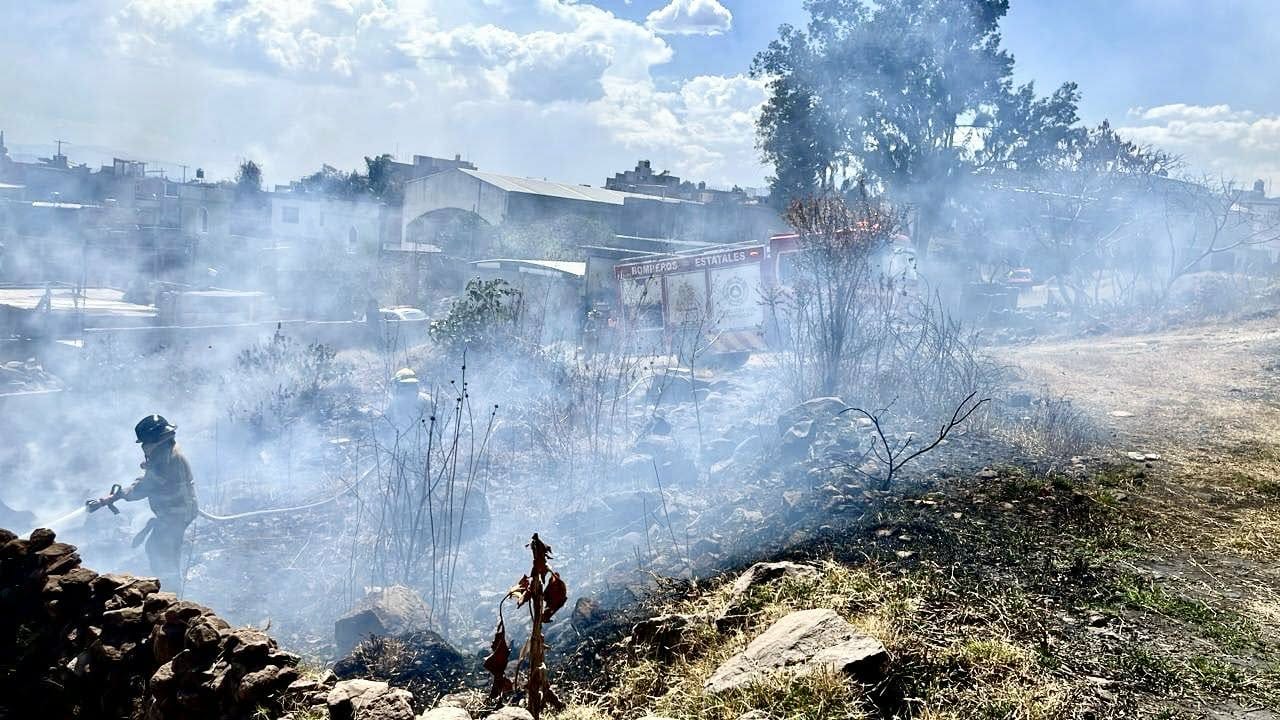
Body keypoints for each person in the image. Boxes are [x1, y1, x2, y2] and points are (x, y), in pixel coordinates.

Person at [92, 415, 198, 590]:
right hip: (177, 511)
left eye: (144, 443)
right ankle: (169, 587)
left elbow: (144, 487)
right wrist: (121, 493)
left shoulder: (165, 460)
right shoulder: (166, 452)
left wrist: (118, 495)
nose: (142, 446)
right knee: (158, 548)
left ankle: (170, 593)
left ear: (154, 440)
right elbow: (149, 480)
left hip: (176, 514)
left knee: (161, 552)